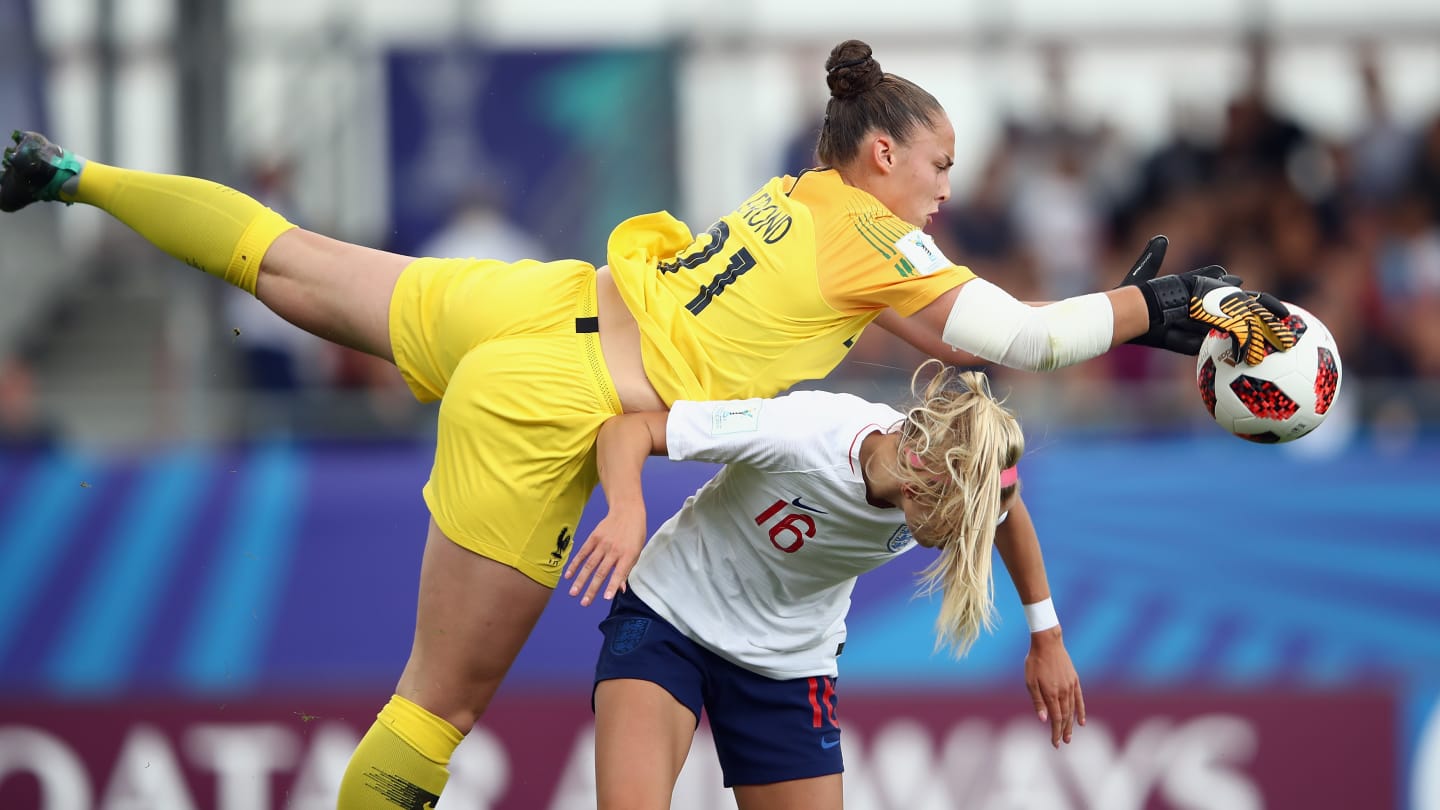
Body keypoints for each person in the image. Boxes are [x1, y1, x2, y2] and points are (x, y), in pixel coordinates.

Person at [0, 38, 1289, 809]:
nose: (946, 196)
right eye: (939, 168)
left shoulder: (805, 198)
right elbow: (1014, 341)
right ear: (883, 155)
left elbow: (956, 354)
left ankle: (68, 175)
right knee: (432, 711)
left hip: (554, 301)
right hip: (566, 402)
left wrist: (1126, 308)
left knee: (287, 264)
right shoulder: (874, 239)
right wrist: (1161, 303)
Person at [566, 363, 1080, 809]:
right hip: (668, 619)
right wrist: (628, 509)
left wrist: (1047, 637)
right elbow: (628, 430)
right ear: (921, 478)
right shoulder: (802, 433)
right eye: (959, 521)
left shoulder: (956, 481)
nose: (961, 538)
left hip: (789, 666)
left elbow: (1008, 514)